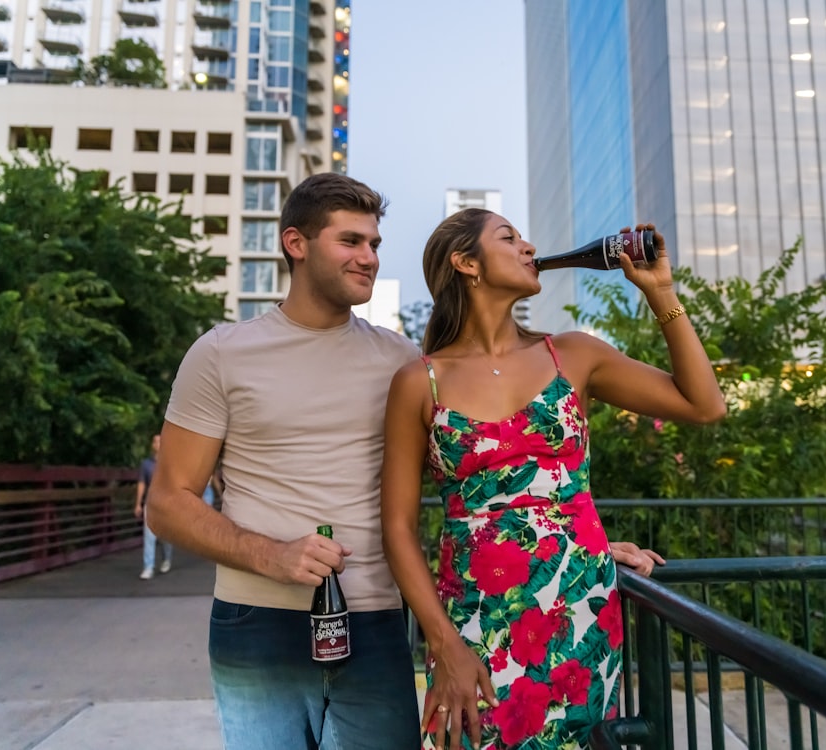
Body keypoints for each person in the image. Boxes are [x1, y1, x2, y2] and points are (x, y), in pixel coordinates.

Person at [380, 209, 726, 749]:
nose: (528, 245)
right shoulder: (419, 381)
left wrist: (661, 292)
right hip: (473, 625)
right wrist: (444, 644)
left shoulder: (573, 355)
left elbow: (703, 404)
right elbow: (398, 528)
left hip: (579, 612)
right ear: (466, 263)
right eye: (509, 237)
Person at [145, 173, 422, 749]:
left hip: (375, 619)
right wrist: (269, 555)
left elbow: (475, 466)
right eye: (350, 241)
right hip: (257, 621)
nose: (368, 257)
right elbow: (168, 501)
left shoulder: (400, 358)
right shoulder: (222, 352)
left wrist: (576, 537)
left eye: (374, 244)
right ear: (296, 243)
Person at [133, 433, 173, 580]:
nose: (158, 444)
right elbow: (141, 483)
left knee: (165, 537)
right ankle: (148, 567)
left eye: (161, 441)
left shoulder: (169, 463)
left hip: (166, 504)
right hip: (150, 504)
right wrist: (138, 503)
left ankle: (166, 559)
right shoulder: (146, 464)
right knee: (149, 537)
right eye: (156, 441)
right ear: (152, 445)